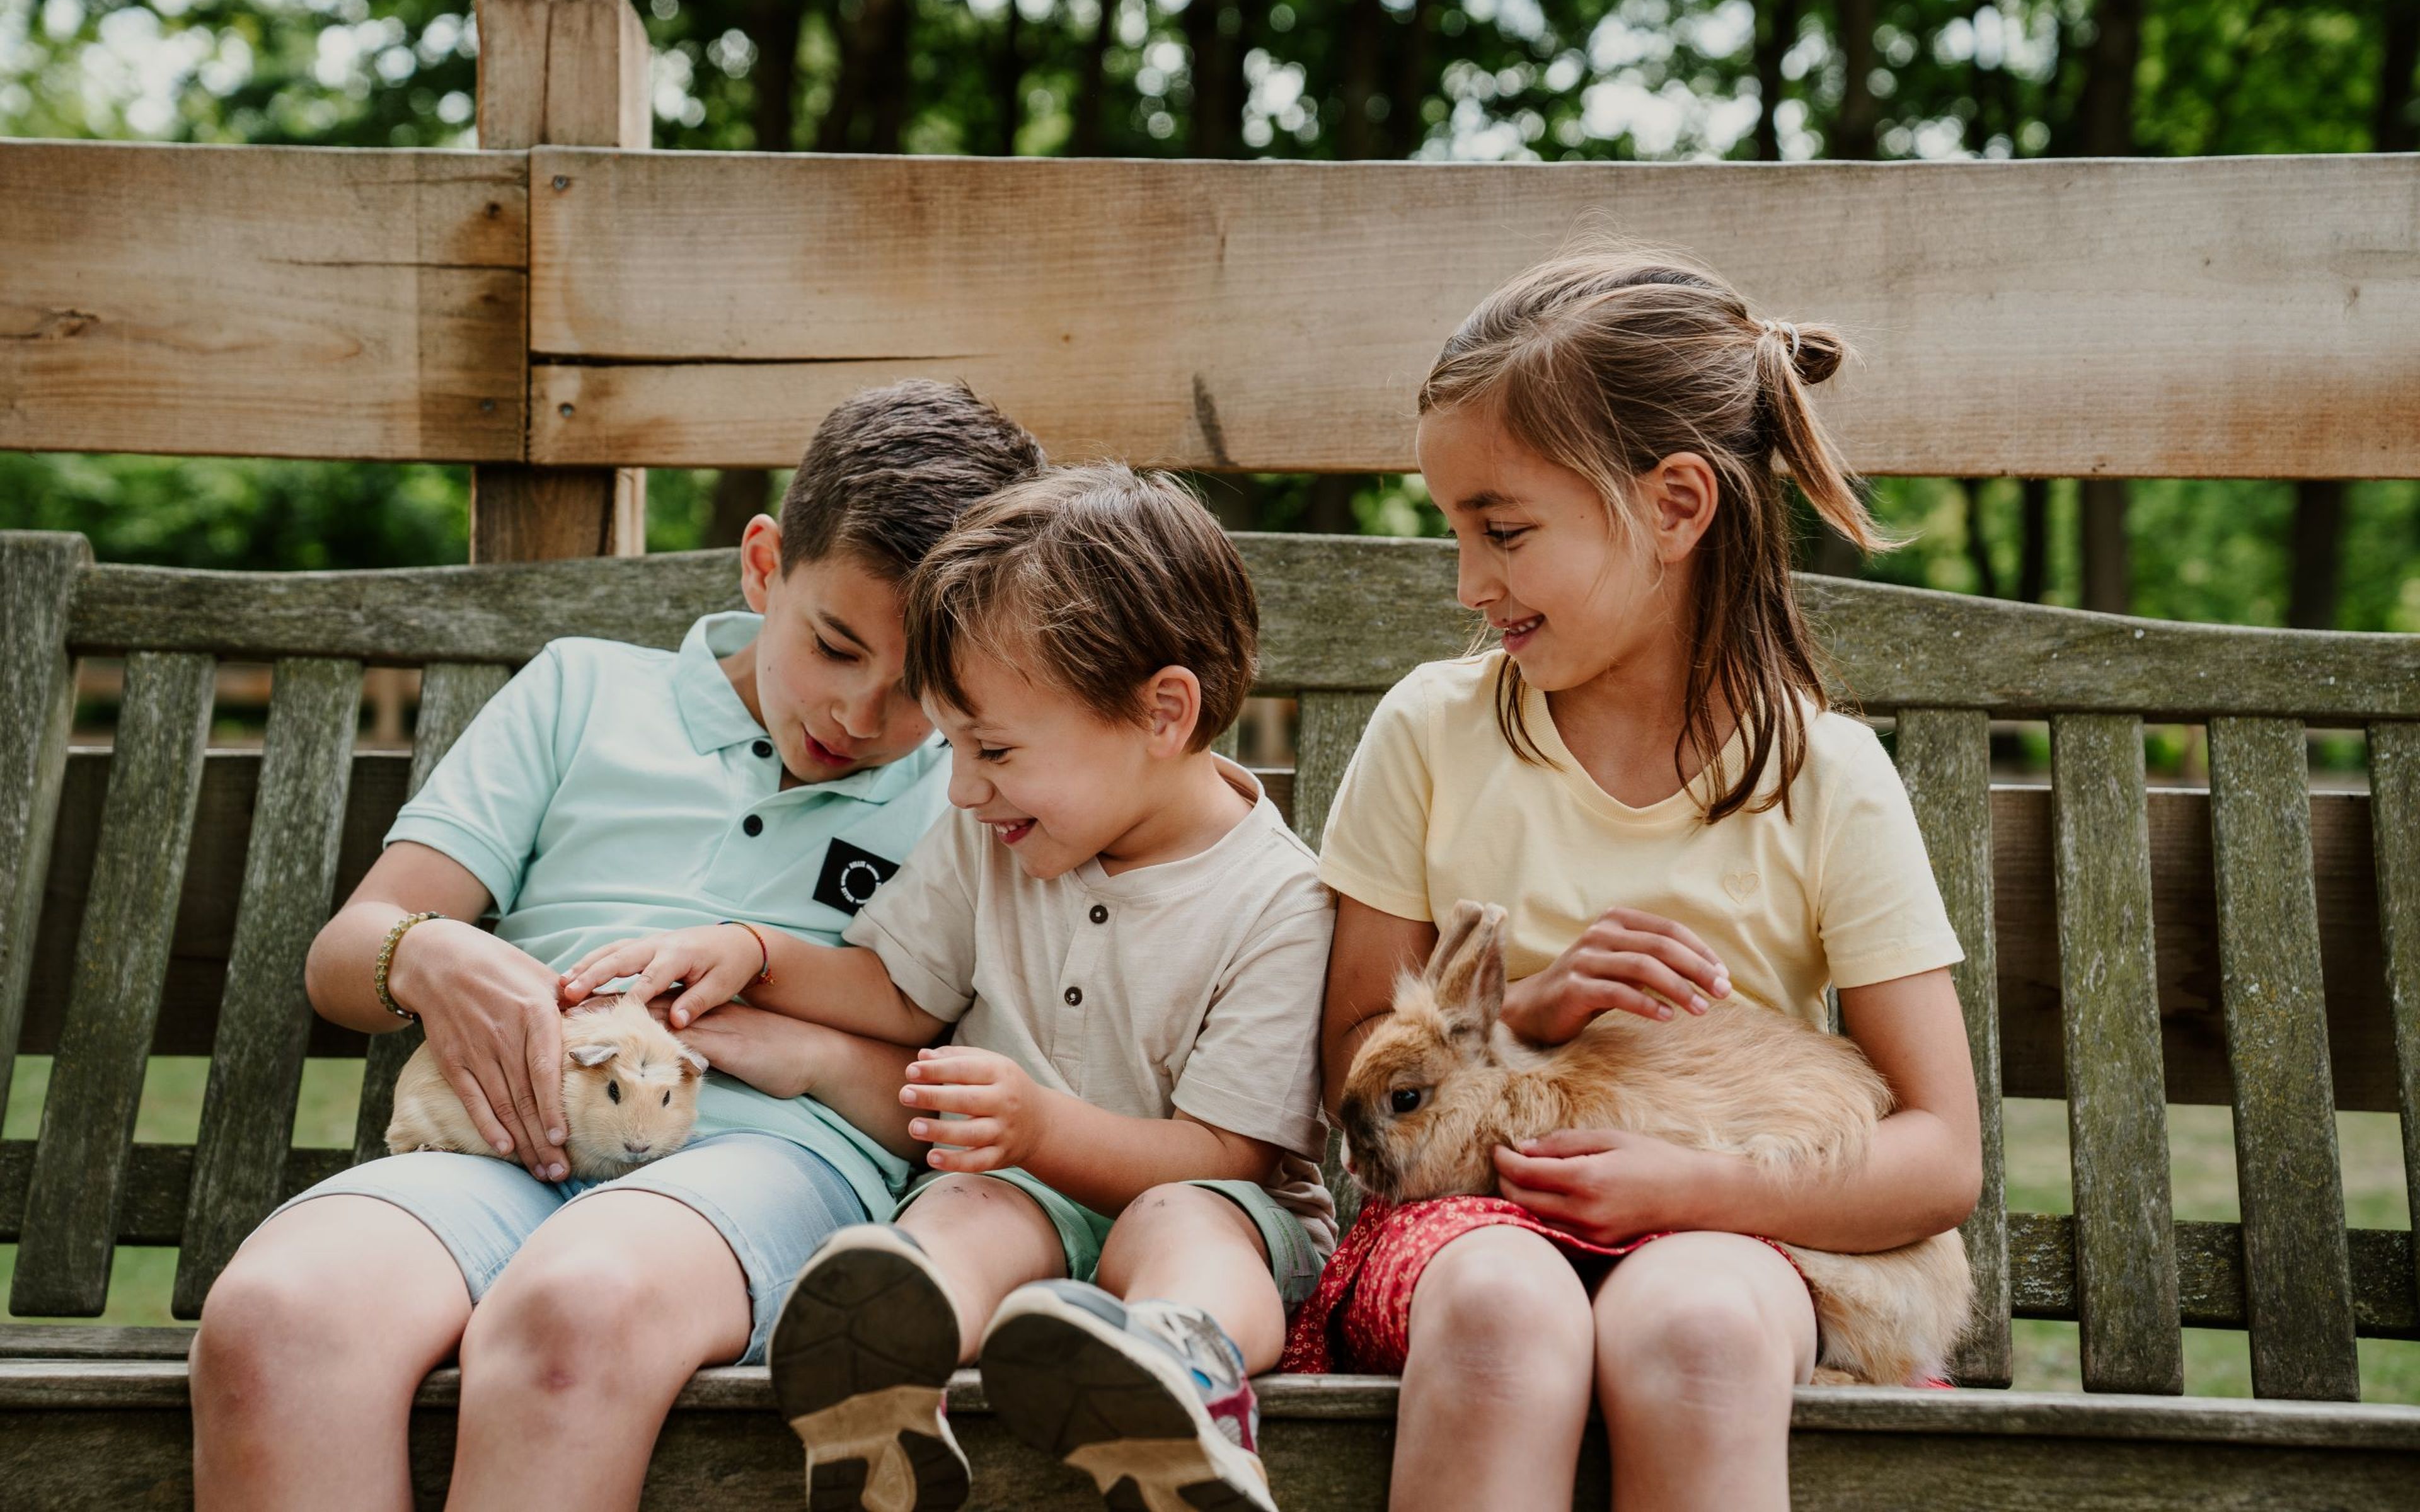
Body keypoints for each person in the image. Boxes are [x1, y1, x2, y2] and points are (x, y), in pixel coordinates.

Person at [188, 381, 1046, 1512]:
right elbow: (346, 957)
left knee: (578, 1311)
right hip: (495, 1152)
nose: (858, 714)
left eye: (918, 688)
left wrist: (811, 1053)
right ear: (762, 566)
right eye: (834, 646)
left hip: (766, 1169)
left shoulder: (979, 791)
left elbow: (982, 1112)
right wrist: (429, 954)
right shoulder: (581, 694)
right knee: (275, 1320)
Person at [1292, 252, 1982, 1511]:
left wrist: (1689, 1189)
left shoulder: (1831, 777)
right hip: (1471, 1227)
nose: (1467, 580)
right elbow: (1349, 1062)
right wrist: (1522, 1016)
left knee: (1698, 1336)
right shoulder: (1431, 730)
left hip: (1734, 1226)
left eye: (1502, 530)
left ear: (1675, 506)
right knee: (1505, 1315)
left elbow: (1939, 1155)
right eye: (1455, 528)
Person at [567, 466, 1334, 1512]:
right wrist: (759, 950)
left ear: (1163, 713)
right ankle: (879, 1395)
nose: (963, 787)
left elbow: (1232, 1153)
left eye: (997, 750)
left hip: (1219, 1210)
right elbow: (896, 986)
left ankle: (1180, 1388)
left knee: (1181, 1225)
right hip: (1015, 1188)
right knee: (965, 1213)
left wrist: (1040, 1128)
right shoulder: (996, 836)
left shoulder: (1279, 898)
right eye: (956, 747)